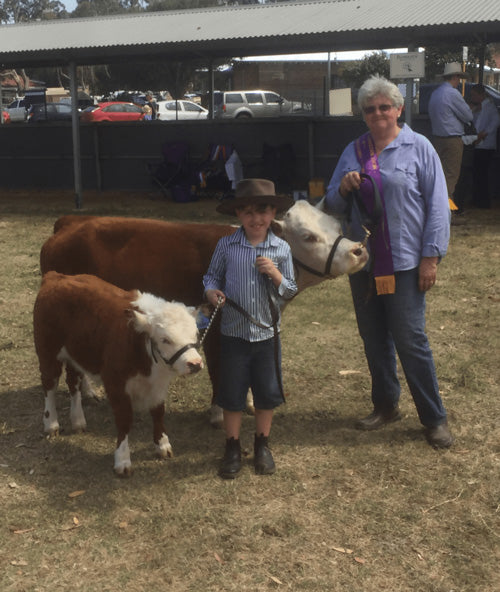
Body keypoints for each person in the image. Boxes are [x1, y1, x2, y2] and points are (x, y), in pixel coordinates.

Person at [325, 75, 454, 449]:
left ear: (399, 109)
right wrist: (344, 188)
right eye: (370, 109)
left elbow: (437, 206)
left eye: (385, 107)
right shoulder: (354, 150)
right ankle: (385, 405)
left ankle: (434, 418)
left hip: (407, 263)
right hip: (363, 264)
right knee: (374, 339)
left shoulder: (420, 147)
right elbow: (332, 205)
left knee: (411, 341)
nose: (378, 113)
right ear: (363, 114)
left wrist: (431, 257)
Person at [203, 178, 297, 478]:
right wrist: (210, 292)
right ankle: (232, 447)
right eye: (248, 212)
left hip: (267, 335)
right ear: (238, 215)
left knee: (266, 393)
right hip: (233, 333)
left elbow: (290, 289)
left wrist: (276, 275)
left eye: (263, 211)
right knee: (231, 394)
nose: (256, 219)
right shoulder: (227, 245)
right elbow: (211, 277)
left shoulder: (281, 248)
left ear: (273, 214)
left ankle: (262, 445)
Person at [428, 62, 474, 211]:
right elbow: (468, 115)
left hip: (437, 138)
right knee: (450, 177)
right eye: (459, 77)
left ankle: (437, 209)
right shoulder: (452, 93)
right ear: (455, 77)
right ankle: (447, 212)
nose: (459, 80)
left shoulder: (436, 93)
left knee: (439, 176)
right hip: (452, 139)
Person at [469, 83, 500, 209]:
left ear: (481, 95)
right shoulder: (478, 108)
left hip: (486, 144)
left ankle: (483, 200)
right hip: (478, 143)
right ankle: (478, 199)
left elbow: (495, 122)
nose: (473, 97)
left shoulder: (490, 107)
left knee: (482, 173)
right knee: (478, 173)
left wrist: (483, 134)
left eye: (474, 95)